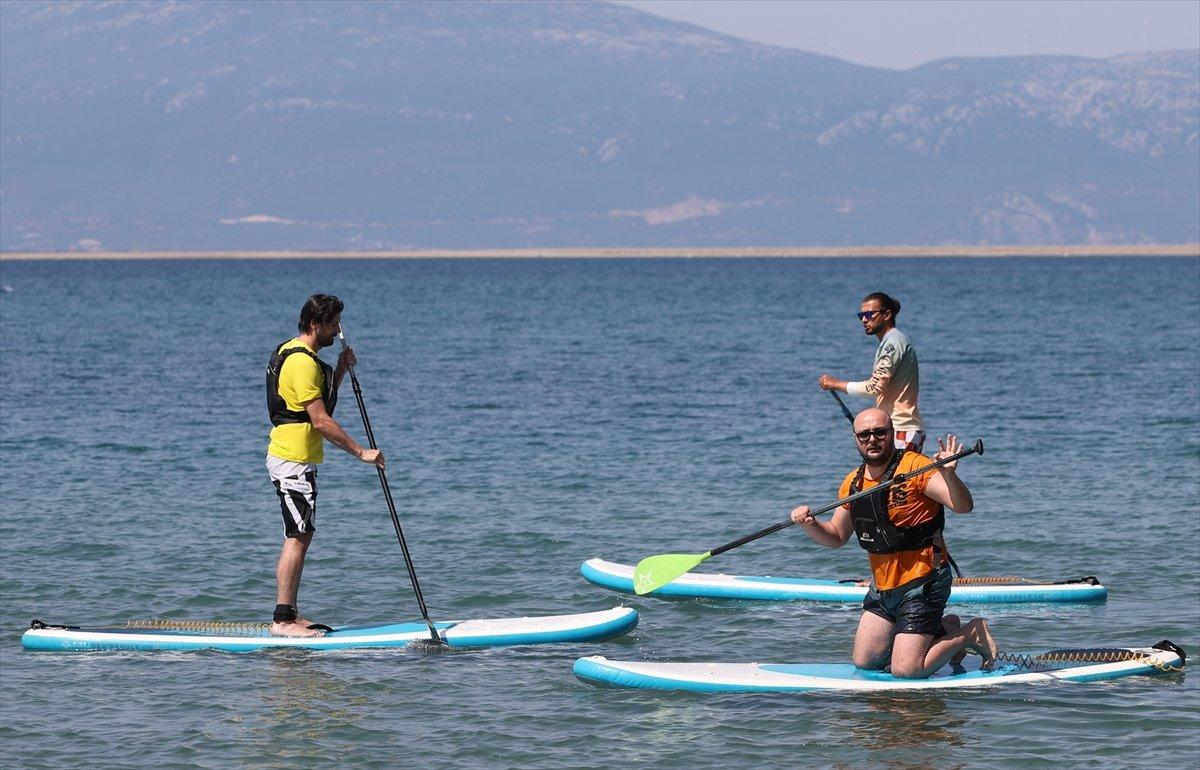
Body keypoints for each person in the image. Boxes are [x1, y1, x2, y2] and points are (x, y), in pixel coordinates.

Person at [789, 407, 997, 678]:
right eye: (864, 434)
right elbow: (837, 537)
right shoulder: (853, 483)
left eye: (879, 432)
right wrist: (810, 524)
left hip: (923, 581)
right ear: (855, 439)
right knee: (866, 661)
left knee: (907, 669)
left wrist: (949, 474)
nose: (872, 439)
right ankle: (944, 629)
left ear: (893, 435)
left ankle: (972, 633)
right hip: (883, 587)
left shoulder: (916, 468)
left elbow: (963, 506)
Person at [265, 294, 384, 637]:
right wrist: (362, 452)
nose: (337, 331)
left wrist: (342, 370)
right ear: (315, 325)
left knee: (302, 533)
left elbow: (317, 405)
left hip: (298, 459)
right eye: (333, 324)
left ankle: (290, 613)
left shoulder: (297, 354)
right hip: (293, 460)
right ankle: (283, 621)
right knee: (297, 536)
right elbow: (320, 421)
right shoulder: (302, 363)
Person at [818, 292, 925, 452]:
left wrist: (835, 384)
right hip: (898, 428)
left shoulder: (893, 343)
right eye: (861, 315)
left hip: (902, 428)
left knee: (898, 478)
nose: (864, 320)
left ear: (887, 314)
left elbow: (874, 388)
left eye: (869, 314)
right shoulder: (891, 341)